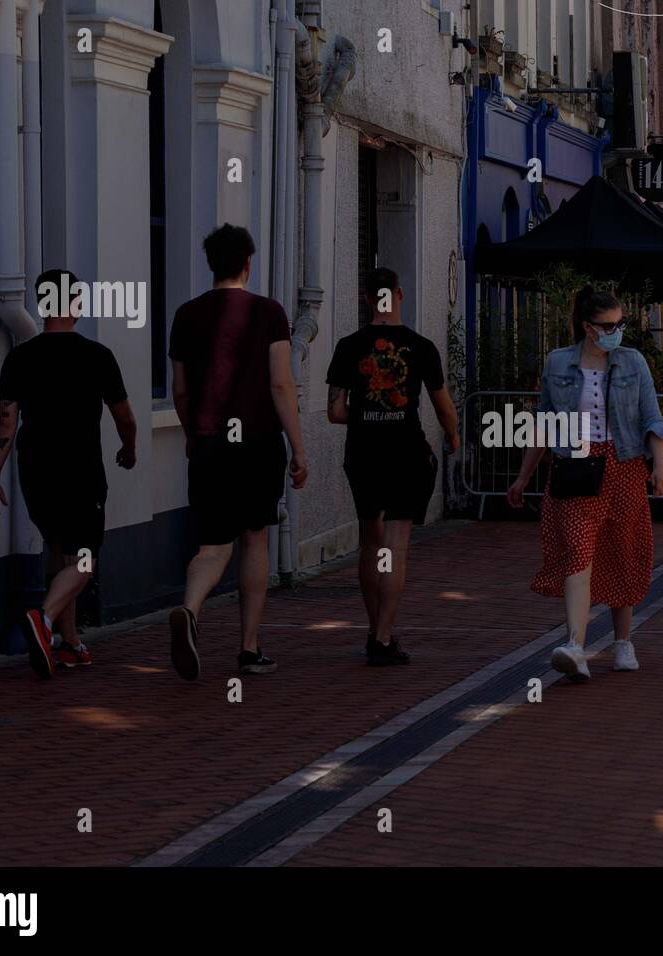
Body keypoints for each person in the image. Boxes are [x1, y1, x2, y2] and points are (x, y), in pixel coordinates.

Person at [167, 224, 309, 680]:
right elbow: (281, 383)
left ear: (211, 264)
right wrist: (298, 447)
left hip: (209, 443)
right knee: (254, 538)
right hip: (257, 442)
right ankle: (249, 648)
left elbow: (181, 391)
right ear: (248, 263)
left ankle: (189, 610)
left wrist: (193, 434)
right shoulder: (269, 313)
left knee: (212, 545)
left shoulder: (186, 315)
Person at [506, 286, 663, 682]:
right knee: (578, 550)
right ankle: (575, 645)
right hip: (575, 464)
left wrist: (659, 465)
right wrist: (524, 475)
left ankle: (623, 640)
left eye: (620, 323)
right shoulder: (558, 362)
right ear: (587, 327)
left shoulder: (633, 362)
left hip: (625, 463)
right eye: (609, 325)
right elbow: (545, 420)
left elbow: (652, 417)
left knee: (622, 550)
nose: (617, 331)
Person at [0, 268, 137, 677]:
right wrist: (129, 448)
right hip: (80, 469)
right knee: (85, 558)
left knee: (59, 550)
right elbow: (124, 416)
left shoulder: (19, 358)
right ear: (77, 305)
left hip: (35, 469)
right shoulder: (96, 356)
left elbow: (5, 424)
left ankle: (69, 644)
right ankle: (44, 618)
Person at [327, 267, 460, 665]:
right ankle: (383, 637)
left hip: (364, 452)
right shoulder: (421, 347)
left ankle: (374, 631)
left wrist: (367, 412)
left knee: (370, 542)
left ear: (368, 298)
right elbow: (442, 406)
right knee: (395, 547)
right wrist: (453, 438)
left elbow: (336, 411)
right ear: (399, 294)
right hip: (406, 453)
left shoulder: (348, 346)